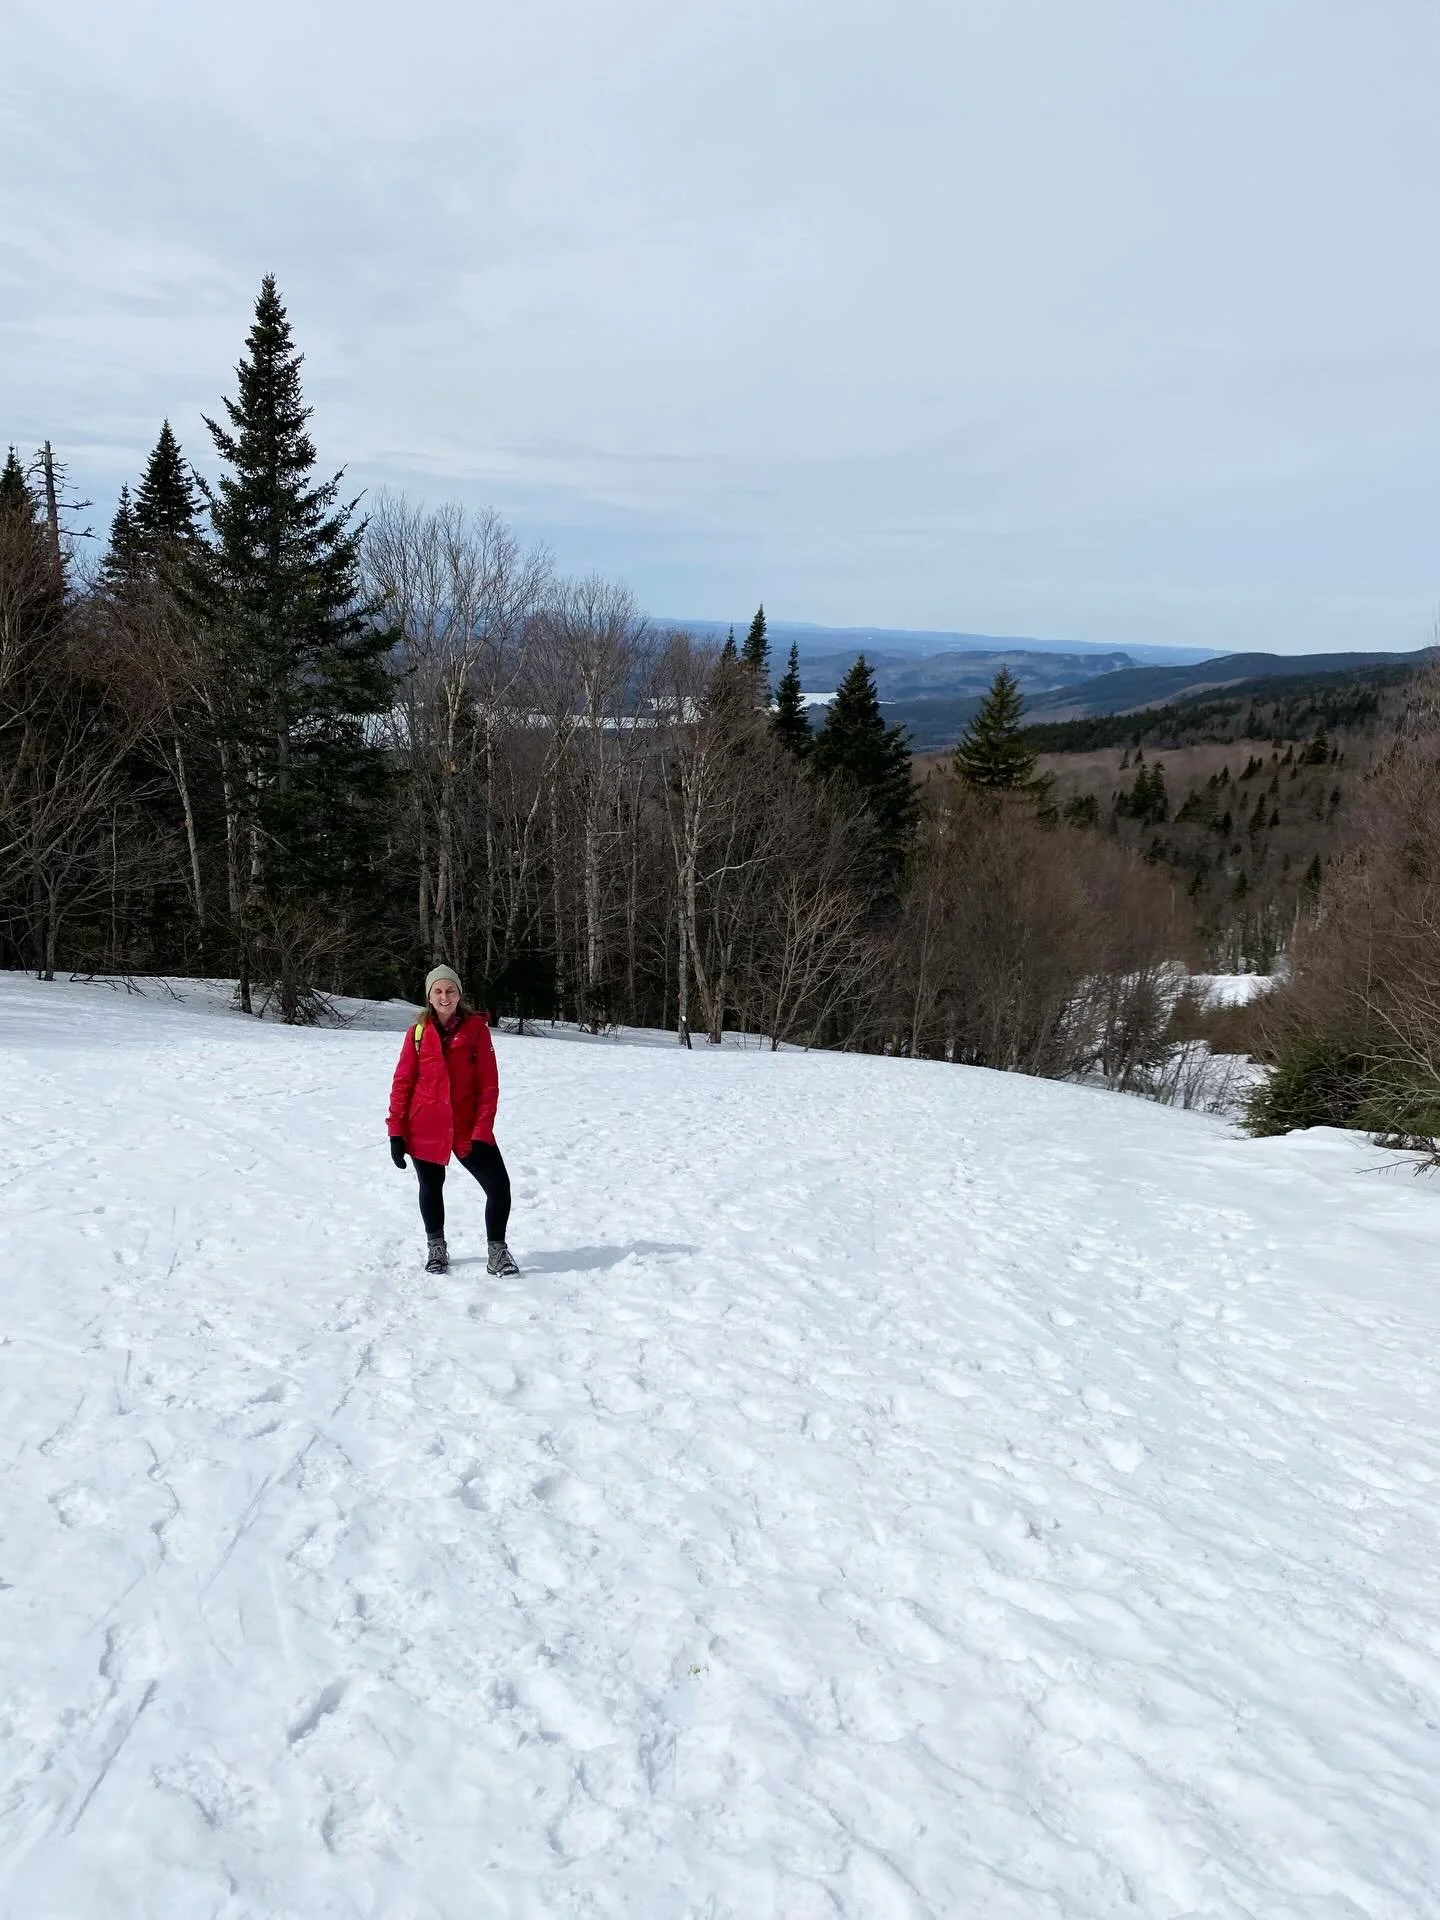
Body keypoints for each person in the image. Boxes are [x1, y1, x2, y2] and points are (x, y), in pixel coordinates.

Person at [387, 965, 519, 1276]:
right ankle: (436, 1247)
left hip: (468, 1127)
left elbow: (489, 1084)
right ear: (429, 996)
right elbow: (402, 1083)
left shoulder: (476, 1029)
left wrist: (482, 1129)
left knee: (499, 1189)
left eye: (450, 990)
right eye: (438, 991)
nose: (444, 996)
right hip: (425, 1126)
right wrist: (396, 1131)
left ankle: (497, 1252)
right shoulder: (417, 1034)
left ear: (459, 994)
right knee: (431, 1187)